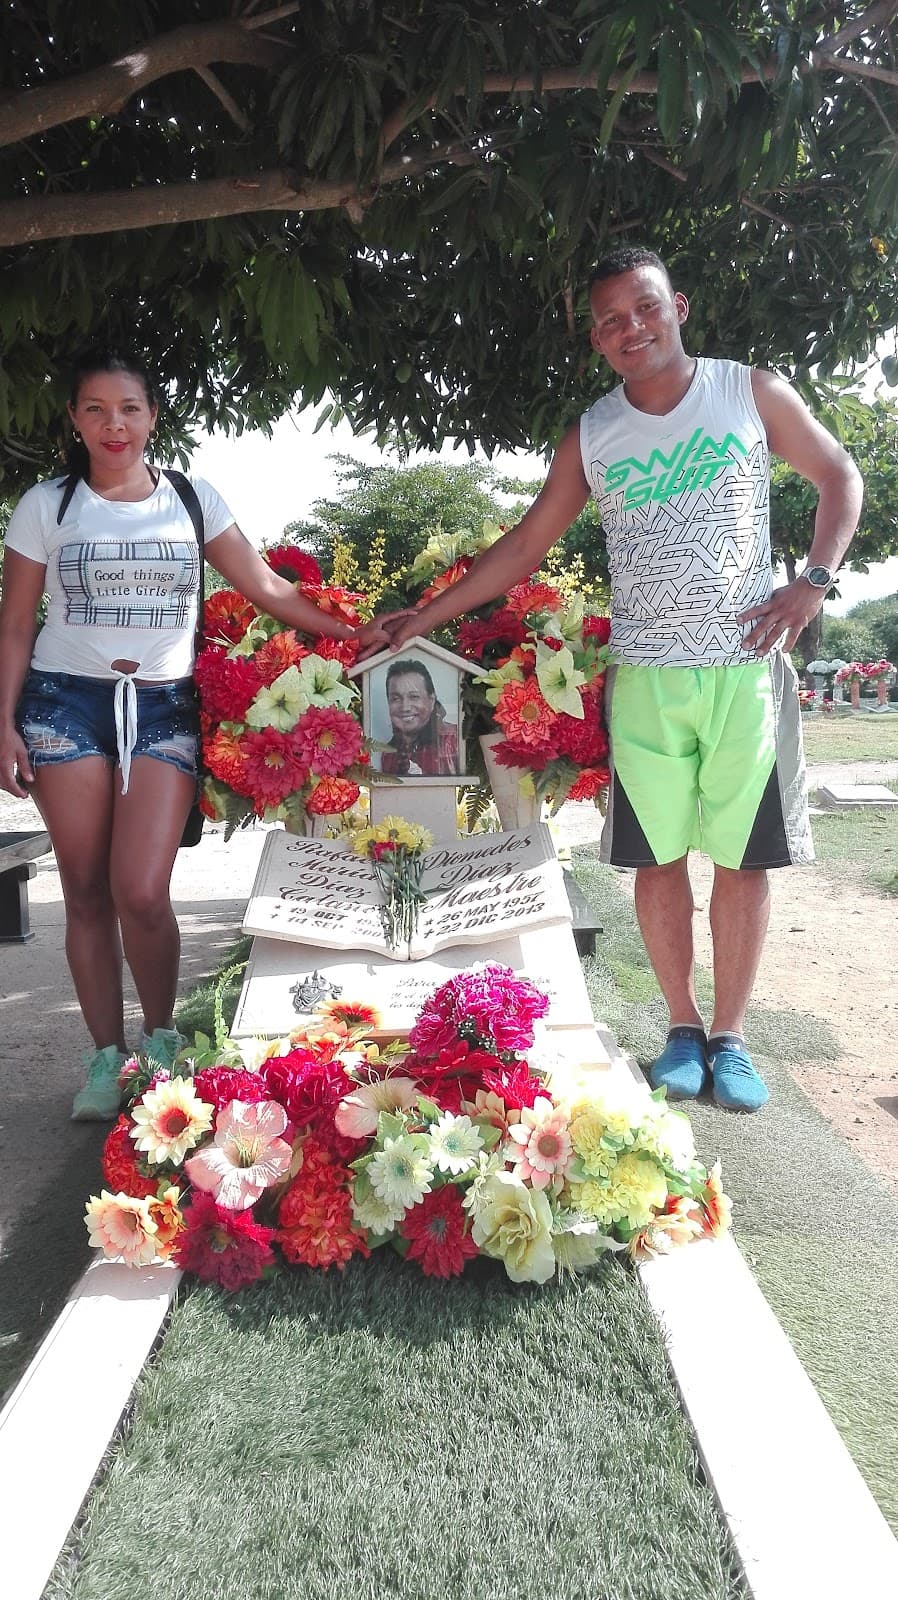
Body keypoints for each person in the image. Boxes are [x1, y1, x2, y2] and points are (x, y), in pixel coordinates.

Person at [382, 246, 863, 1112]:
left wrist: (815, 581)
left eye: (644, 307)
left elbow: (838, 474)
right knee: (657, 858)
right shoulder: (593, 433)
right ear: (597, 340)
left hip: (744, 673)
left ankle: (731, 1037)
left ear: (678, 307)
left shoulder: (748, 391)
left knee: (743, 862)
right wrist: (423, 616)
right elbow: (526, 545)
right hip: (646, 677)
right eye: (610, 320)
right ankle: (681, 1027)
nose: (630, 327)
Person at [0, 348, 390, 1121]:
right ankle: (107, 1059)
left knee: (142, 890)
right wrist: (2, 722)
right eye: (95, 409)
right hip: (63, 704)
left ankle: (162, 1039)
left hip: (163, 706)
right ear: (74, 419)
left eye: (129, 408)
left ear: (152, 415)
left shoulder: (190, 498)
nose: (114, 424)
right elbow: (14, 627)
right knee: (85, 890)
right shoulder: (47, 505)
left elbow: (265, 585)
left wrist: (350, 632)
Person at [378, 658, 458, 775]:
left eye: (414, 697)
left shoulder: (453, 739)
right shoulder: (388, 754)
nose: (405, 707)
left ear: (431, 700)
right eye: (396, 698)